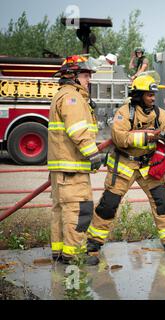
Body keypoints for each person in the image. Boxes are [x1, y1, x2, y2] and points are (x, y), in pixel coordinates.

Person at [86, 72, 165, 256]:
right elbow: (120, 137)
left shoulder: (159, 114)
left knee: (161, 202)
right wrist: (150, 136)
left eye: (154, 94)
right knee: (108, 204)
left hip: (148, 167)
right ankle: (93, 241)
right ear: (138, 95)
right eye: (149, 94)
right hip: (124, 165)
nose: (153, 98)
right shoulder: (125, 112)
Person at [48, 55, 103, 266]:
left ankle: (60, 252)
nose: (89, 79)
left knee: (60, 210)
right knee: (78, 210)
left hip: (62, 167)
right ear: (72, 76)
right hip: (72, 167)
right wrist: (93, 154)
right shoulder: (72, 98)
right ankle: (75, 254)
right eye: (86, 74)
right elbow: (77, 130)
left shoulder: (62, 95)